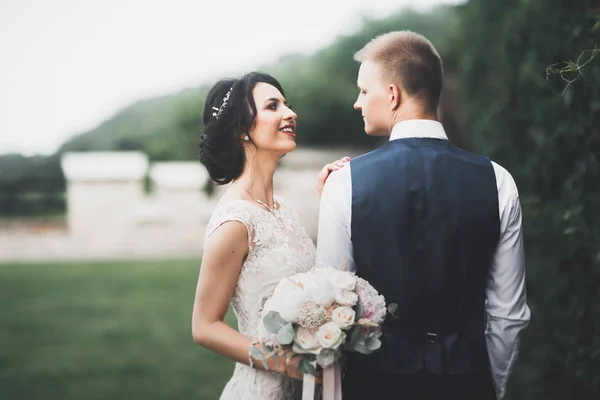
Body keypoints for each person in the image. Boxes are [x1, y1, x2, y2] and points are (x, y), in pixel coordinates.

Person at [316, 31, 531, 400]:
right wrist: (489, 387)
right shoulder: (498, 180)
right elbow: (508, 315)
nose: (357, 102)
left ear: (394, 94)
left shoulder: (346, 182)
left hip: (374, 386)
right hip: (467, 383)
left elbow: (331, 303)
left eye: (364, 91)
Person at [191, 71, 348, 400]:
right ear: (241, 129)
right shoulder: (235, 221)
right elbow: (204, 327)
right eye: (273, 106)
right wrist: (283, 363)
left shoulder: (284, 210)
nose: (291, 114)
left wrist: (332, 202)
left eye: (287, 105)